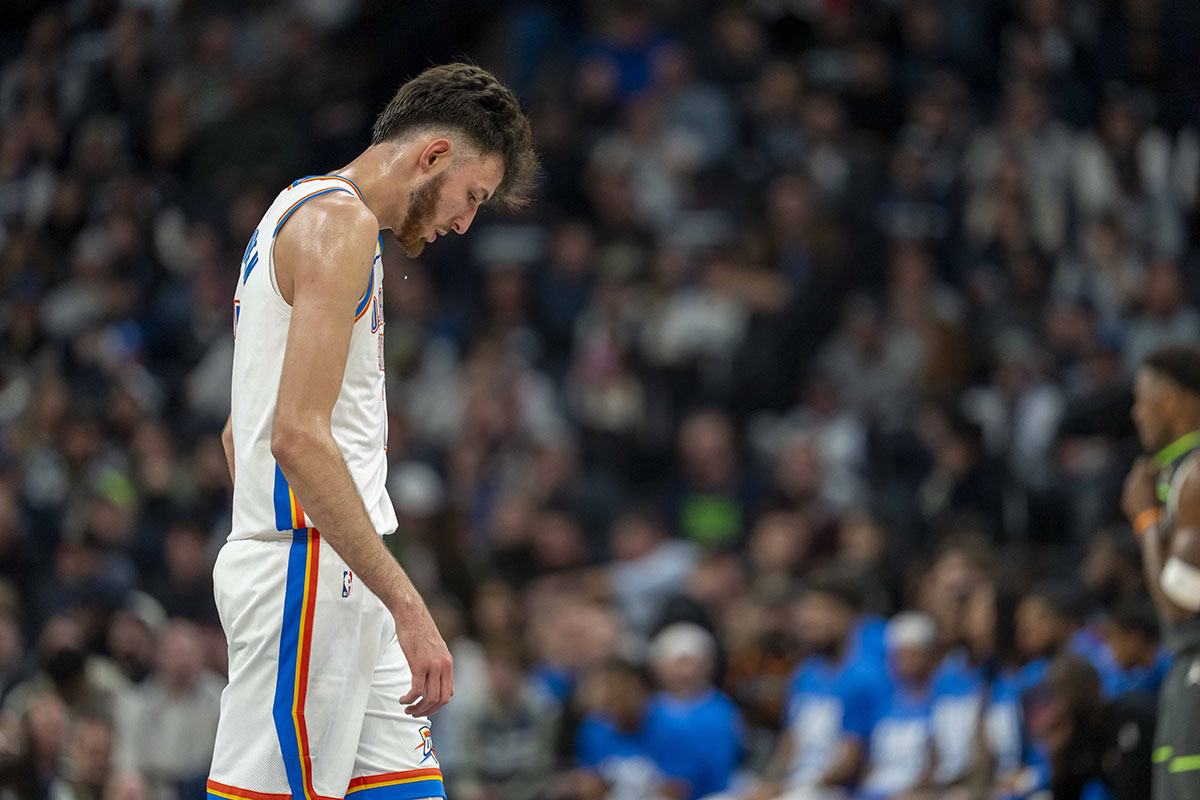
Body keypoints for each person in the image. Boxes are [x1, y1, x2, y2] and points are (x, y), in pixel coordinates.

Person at [207, 63, 537, 800]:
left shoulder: (297, 209)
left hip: (336, 569)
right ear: (433, 157)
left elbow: (241, 434)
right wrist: (401, 600)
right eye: (472, 197)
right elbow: (293, 436)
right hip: (309, 571)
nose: (465, 223)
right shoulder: (339, 224)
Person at [1121, 343, 1200, 800]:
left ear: (1173, 397)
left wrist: (1145, 519)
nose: (1136, 413)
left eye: (1143, 397)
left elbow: (1181, 598)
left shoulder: (1196, 476)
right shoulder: (1180, 474)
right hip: (1184, 670)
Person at [751, 576, 887, 800]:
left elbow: (850, 760)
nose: (809, 620)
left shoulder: (865, 678)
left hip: (835, 790)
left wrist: (794, 788)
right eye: (807, 611)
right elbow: (789, 742)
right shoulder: (805, 674)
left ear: (847, 616)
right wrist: (770, 783)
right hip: (796, 784)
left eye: (820, 610)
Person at [858, 612, 938, 800]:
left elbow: (936, 764)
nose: (904, 661)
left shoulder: (937, 705)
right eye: (898, 654)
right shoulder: (883, 705)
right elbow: (870, 762)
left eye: (912, 654)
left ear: (928, 655)